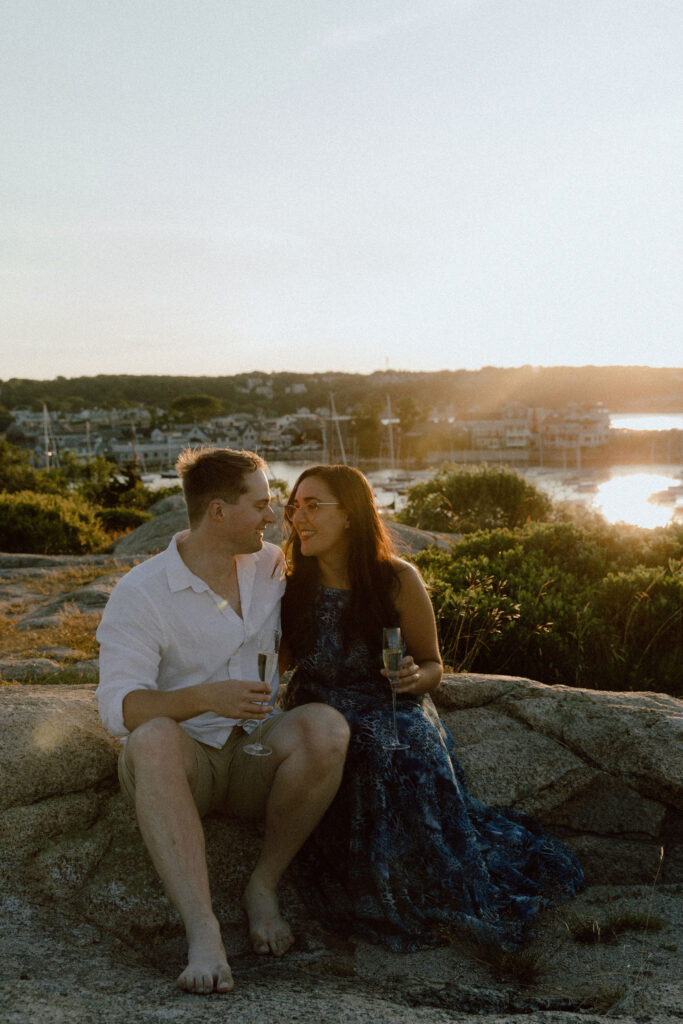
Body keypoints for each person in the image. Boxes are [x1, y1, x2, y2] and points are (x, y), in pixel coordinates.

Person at [280, 464, 585, 953]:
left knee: (405, 750)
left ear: (352, 516)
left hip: (389, 699)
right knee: (344, 748)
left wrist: (414, 677)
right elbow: (277, 661)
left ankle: (423, 881)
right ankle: (360, 882)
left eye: (313, 506)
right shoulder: (290, 584)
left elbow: (433, 665)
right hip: (317, 704)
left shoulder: (398, 579)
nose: (299, 518)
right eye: (294, 507)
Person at [96, 448, 350, 994]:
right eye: (260, 505)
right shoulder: (141, 593)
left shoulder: (270, 565)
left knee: (327, 728)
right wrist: (206, 697)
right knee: (152, 737)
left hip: (254, 751)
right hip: (184, 761)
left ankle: (263, 884)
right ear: (217, 511)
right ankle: (203, 929)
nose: (273, 516)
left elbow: (343, 586)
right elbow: (119, 709)